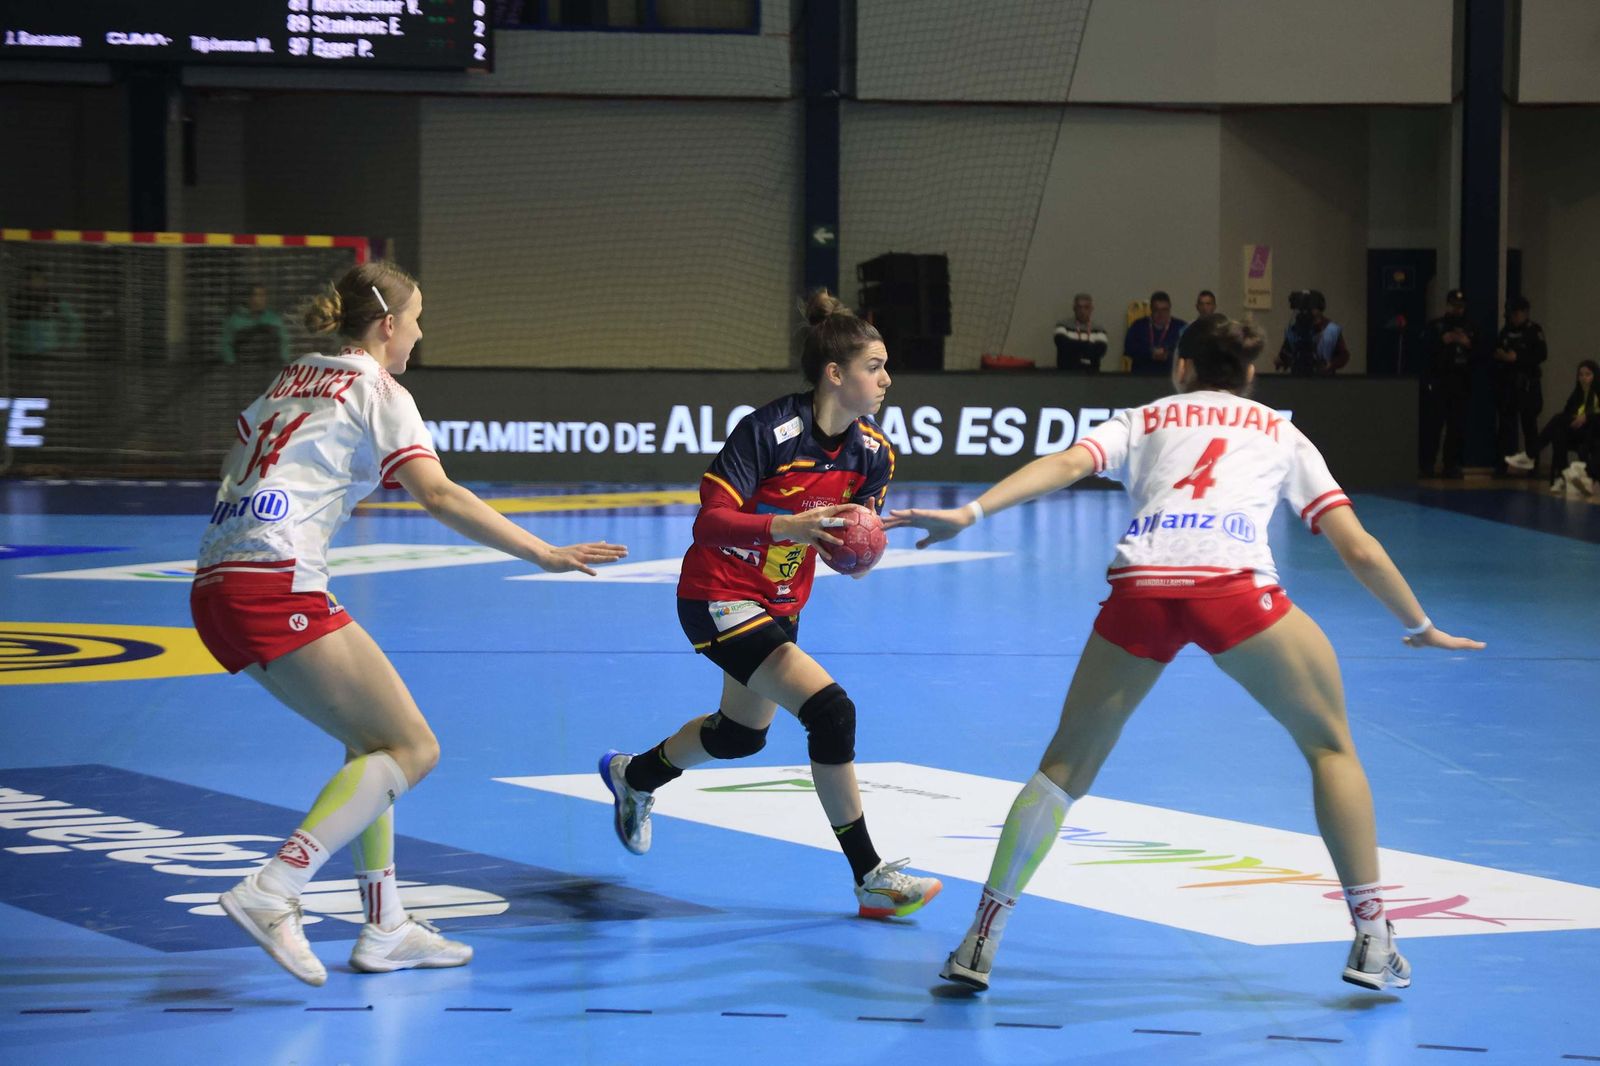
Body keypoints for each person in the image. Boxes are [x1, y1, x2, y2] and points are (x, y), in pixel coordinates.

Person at [887, 314, 1483, 994]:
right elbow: (1358, 547)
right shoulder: (1282, 432)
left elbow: (1063, 465)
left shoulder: (1145, 418)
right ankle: (1374, 941)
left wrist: (971, 513)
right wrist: (1419, 623)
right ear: (1252, 375)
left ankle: (980, 939)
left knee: (1062, 768)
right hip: (1234, 592)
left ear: (1180, 366)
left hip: (1141, 589)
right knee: (1330, 747)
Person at [192, 261, 627, 986]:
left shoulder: (285, 380)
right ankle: (274, 888)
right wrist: (541, 551)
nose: (421, 334)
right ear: (387, 325)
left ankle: (385, 925)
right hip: (275, 579)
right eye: (418, 319)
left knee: (371, 747)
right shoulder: (376, 387)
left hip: (215, 583)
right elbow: (439, 493)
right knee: (413, 747)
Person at [598, 290, 942, 919]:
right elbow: (710, 522)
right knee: (831, 713)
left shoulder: (874, 454)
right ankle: (869, 877)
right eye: (875, 366)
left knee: (738, 738)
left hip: (779, 603)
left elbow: (853, 532)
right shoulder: (767, 433)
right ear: (835, 374)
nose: (887, 378)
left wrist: (857, 551)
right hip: (717, 595)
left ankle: (635, 776)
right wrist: (787, 527)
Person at [1419, 289, 1477, 478]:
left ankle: (1451, 464)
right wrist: (1442, 341)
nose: (1458, 310)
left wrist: (1468, 343)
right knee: (1433, 426)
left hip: (1460, 382)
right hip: (1439, 381)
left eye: (1461, 307)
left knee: (1456, 427)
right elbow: (1424, 351)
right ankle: (1427, 464)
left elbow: (1480, 354)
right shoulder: (1436, 326)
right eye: (1454, 306)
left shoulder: (1471, 327)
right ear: (1448, 305)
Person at [1520, 359, 1598, 494]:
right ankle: (1561, 476)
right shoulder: (1577, 393)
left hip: (1594, 433)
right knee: (1558, 433)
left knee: (1557, 421)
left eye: (1588, 374)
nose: (1584, 378)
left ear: (1595, 376)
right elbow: (1568, 412)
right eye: (1581, 375)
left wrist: (1587, 417)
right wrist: (1574, 419)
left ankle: (1530, 454)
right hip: (1578, 432)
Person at [1494, 297, 1548, 475]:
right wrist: (1502, 357)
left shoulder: (1534, 331)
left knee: (1529, 426)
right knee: (1506, 426)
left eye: (1516, 314)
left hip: (1527, 384)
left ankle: (1533, 465)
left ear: (1525, 313)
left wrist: (1518, 358)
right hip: (1508, 384)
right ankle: (1503, 465)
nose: (1513, 318)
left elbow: (1541, 354)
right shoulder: (1506, 331)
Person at [7, 267, 84, 357]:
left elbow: (75, 322)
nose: (34, 282)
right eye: (29, 279)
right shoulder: (15, 302)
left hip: (50, 353)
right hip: (21, 355)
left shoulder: (55, 301)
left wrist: (68, 344)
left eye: (38, 279)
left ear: (45, 281)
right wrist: (14, 343)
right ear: (23, 282)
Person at [1275, 289, 1351, 376]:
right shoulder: (1295, 329)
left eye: (1309, 308)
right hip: (1297, 380)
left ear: (1319, 309)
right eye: (1302, 309)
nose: (1305, 312)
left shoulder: (1331, 330)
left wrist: (1330, 364)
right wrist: (1281, 361)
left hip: (1324, 381)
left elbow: (1344, 356)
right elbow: (1286, 354)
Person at [220, 283, 292, 365]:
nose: (260, 299)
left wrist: (285, 363)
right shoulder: (235, 320)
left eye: (263, 295)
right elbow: (226, 345)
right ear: (248, 298)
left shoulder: (274, 319)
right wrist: (232, 365)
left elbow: (284, 343)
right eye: (257, 295)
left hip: (271, 368)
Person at [1123, 291, 1186, 376]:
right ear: (1151, 310)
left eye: (1164, 310)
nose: (1161, 314)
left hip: (1170, 378)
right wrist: (1149, 354)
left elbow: (1188, 351)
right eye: (1157, 310)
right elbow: (1128, 349)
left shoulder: (1180, 327)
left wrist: (1168, 355)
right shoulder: (1138, 326)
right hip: (1141, 377)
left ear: (1169, 309)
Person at [1053, 292, 1109, 373]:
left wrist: (1074, 348)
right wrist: (1088, 346)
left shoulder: (1099, 329)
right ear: (1074, 308)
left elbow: (1100, 351)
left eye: (1086, 307)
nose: (1082, 311)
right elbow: (1063, 345)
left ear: (1091, 309)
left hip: (1091, 375)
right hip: (1066, 374)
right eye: (1079, 307)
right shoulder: (1062, 325)